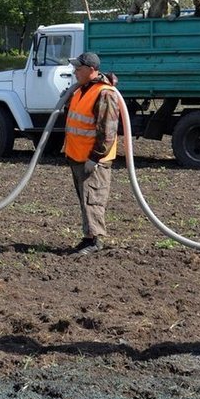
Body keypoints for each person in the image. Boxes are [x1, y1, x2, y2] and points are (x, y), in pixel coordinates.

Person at [64, 52, 120, 255]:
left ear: (92, 69)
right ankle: (88, 236)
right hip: (77, 156)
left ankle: (95, 240)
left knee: (93, 199)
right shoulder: (81, 90)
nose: (75, 71)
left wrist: (95, 157)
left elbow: (108, 130)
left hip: (93, 159)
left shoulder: (104, 93)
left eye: (79, 68)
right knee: (85, 199)